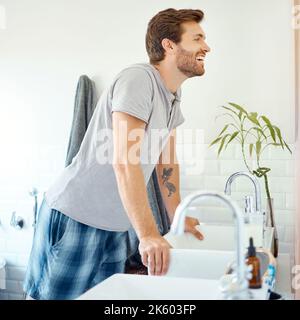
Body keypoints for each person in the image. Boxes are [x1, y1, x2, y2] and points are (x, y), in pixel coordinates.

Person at [23, 8, 211, 300]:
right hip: (76, 216)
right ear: (169, 45)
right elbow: (125, 160)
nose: (206, 47)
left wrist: (177, 215)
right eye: (198, 38)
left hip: (116, 227)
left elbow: (166, 161)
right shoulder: (139, 79)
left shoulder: (172, 96)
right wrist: (149, 235)